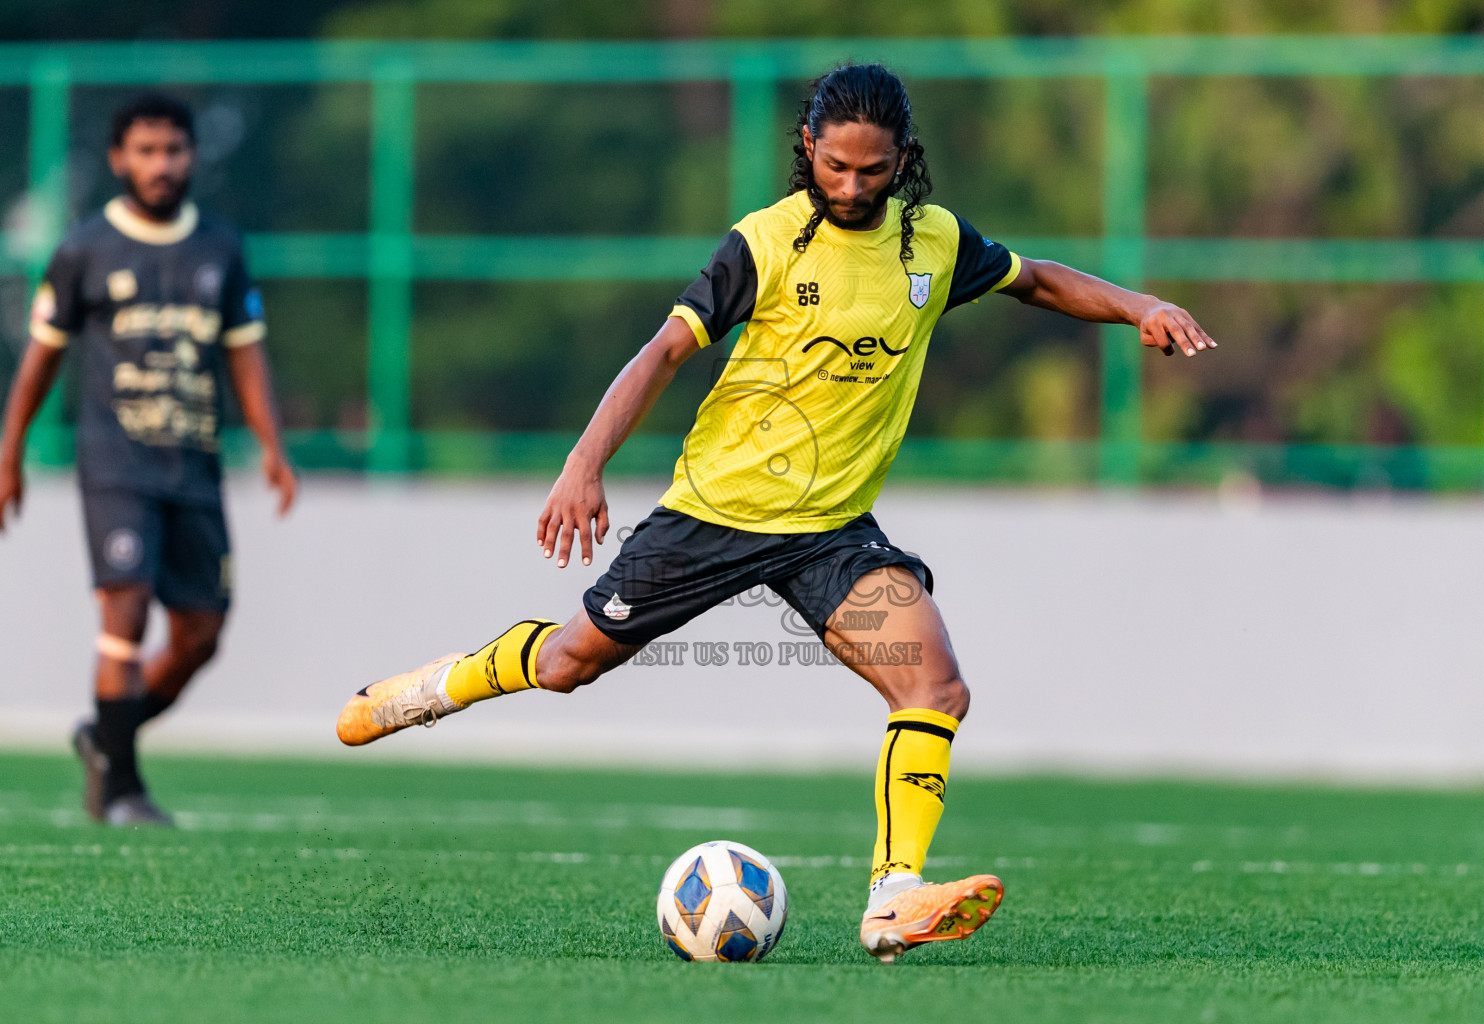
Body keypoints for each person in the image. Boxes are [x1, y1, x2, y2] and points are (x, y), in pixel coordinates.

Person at [335, 64, 1215, 960]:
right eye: (835, 166)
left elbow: (1035, 280)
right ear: (807, 149)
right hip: (717, 511)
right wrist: (584, 462)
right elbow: (662, 351)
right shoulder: (766, 244)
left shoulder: (933, 243)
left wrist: (1138, 304)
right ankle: (430, 691)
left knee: (935, 684)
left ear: (903, 160)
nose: (852, 187)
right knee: (568, 664)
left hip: (832, 532)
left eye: (873, 171)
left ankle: (893, 898)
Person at [0, 93, 297, 826]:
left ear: (192, 156)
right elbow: (40, 362)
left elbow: (246, 356)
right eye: (147, 151)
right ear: (118, 159)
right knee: (125, 606)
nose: (162, 165)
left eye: (174, 150)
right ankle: (122, 790)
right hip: (115, 464)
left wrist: (272, 445)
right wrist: (8, 454)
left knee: (201, 635)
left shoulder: (221, 248)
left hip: (193, 468)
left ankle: (105, 734)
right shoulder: (84, 250)